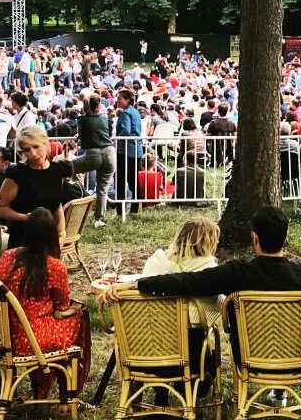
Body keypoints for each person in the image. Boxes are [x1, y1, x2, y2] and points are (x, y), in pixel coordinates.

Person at [107, 205, 301, 364]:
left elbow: (186, 282)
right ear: (285, 238)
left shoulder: (237, 273)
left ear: (254, 238)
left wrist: (136, 285)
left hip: (251, 358)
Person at [0, 207, 90, 395]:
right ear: (52, 234)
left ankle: (42, 385)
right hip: (31, 340)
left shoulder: (7, 257)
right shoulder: (54, 266)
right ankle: (66, 393)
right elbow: (62, 306)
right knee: (79, 318)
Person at [0, 125, 73, 247]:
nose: (33, 153)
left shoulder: (57, 170)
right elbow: (0, 208)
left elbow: (57, 207)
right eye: (26, 150)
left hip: (49, 239)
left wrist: (61, 234)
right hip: (22, 240)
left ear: (46, 144)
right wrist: (26, 217)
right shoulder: (17, 173)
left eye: (36, 146)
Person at [140, 216, 223, 329]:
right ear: (209, 243)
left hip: (150, 329)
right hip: (190, 334)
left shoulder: (156, 262)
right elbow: (217, 300)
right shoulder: (208, 270)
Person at [71, 93, 114, 226]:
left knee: (67, 168)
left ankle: (81, 195)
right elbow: (109, 133)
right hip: (109, 153)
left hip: (93, 154)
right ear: (99, 104)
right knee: (102, 188)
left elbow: (82, 135)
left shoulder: (82, 120)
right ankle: (98, 219)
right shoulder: (107, 118)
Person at [113, 87, 143, 217]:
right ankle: (135, 208)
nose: (117, 101)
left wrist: (115, 137)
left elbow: (125, 130)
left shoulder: (125, 113)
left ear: (127, 100)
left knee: (120, 180)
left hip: (125, 150)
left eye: (120, 98)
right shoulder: (135, 112)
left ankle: (120, 210)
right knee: (133, 180)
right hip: (136, 150)